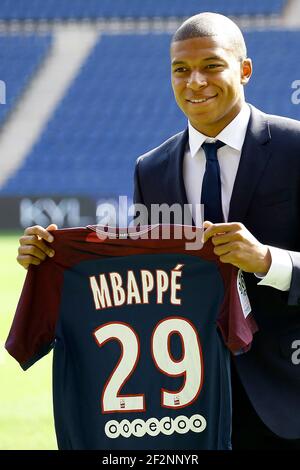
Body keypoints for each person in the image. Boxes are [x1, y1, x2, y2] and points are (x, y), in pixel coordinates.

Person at [16, 13, 300, 449]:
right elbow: (144, 279)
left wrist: (267, 261)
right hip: (186, 405)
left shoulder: (294, 147)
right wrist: (50, 256)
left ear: (244, 70)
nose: (195, 81)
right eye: (181, 70)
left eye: (211, 65)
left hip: (285, 395)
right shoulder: (152, 169)